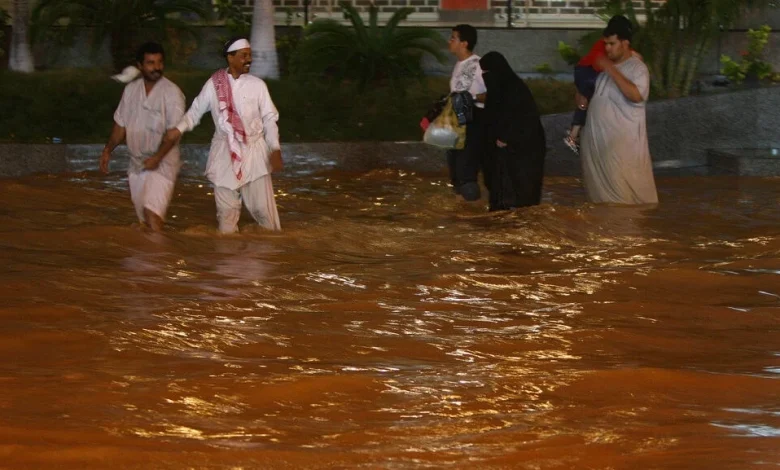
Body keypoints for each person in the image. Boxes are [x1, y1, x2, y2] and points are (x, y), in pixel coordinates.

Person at [154, 37, 284, 233]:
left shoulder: (258, 85)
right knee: (226, 213)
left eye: (250, 55)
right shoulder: (214, 85)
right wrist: (178, 129)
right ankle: (229, 257)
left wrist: (274, 148)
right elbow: (195, 112)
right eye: (244, 55)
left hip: (254, 151)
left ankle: (268, 256)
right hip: (224, 152)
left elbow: (269, 118)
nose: (249, 59)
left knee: (263, 211)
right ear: (230, 58)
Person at [100, 42, 186, 232]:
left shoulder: (172, 93)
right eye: (150, 63)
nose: (156, 67)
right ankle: (150, 259)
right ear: (140, 65)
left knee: (151, 215)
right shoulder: (131, 90)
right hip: (137, 164)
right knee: (144, 223)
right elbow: (120, 125)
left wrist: (157, 158)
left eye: (159, 62)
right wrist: (107, 150)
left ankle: (161, 257)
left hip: (163, 163)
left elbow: (173, 134)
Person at [580, 15, 658, 205]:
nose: (607, 48)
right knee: (600, 207)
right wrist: (581, 96)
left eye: (612, 44)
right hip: (598, 150)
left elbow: (636, 95)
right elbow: (587, 99)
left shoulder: (637, 68)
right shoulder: (604, 69)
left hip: (621, 152)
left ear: (625, 43)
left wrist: (610, 69)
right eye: (605, 44)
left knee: (623, 206)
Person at [563, 16, 643, 155]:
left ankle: (574, 134)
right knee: (585, 102)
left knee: (585, 102)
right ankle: (573, 135)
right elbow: (599, 61)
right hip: (586, 71)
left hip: (585, 72)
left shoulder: (610, 44)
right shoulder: (605, 44)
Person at [479, 51, 546, 211]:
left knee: (520, 193)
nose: (485, 77)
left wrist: (506, 137)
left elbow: (523, 119)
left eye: (487, 73)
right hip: (507, 152)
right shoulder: (502, 89)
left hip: (523, 151)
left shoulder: (514, 90)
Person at [446, 24, 487, 201]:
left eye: (453, 38)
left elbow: (492, 93)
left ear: (464, 43)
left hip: (473, 122)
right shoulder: (459, 64)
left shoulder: (477, 65)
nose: (449, 41)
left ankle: (475, 216)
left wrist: (471, 98)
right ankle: (461, 211)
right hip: (457, 121)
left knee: (466, 170)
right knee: (455, 168)